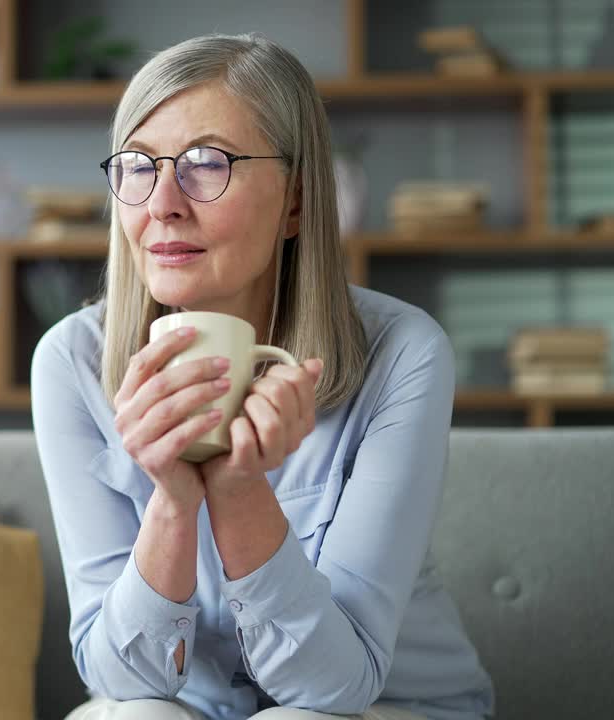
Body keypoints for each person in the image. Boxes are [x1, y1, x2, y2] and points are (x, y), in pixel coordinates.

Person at [30, 34, 496, 720]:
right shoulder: (72, 360)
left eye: (204, 163)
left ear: (299, 202)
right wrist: (173, 503)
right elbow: (118, 674)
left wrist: (240, 493)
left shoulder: (402, 353)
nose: (162, 203)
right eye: (137, 166)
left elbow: (336, 688)